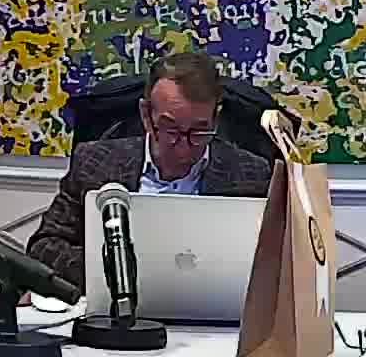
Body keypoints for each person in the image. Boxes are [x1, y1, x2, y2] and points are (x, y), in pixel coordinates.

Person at [27, 52, 272, 288]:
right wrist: (115, 271)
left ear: (215, 120)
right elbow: (44, 246)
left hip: (215, 312)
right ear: (146, 115)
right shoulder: (96, 163)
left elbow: (274, 262)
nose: (183, 148)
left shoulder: (251, 174)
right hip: (115, 309)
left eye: (199, 131)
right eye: (171, 129)